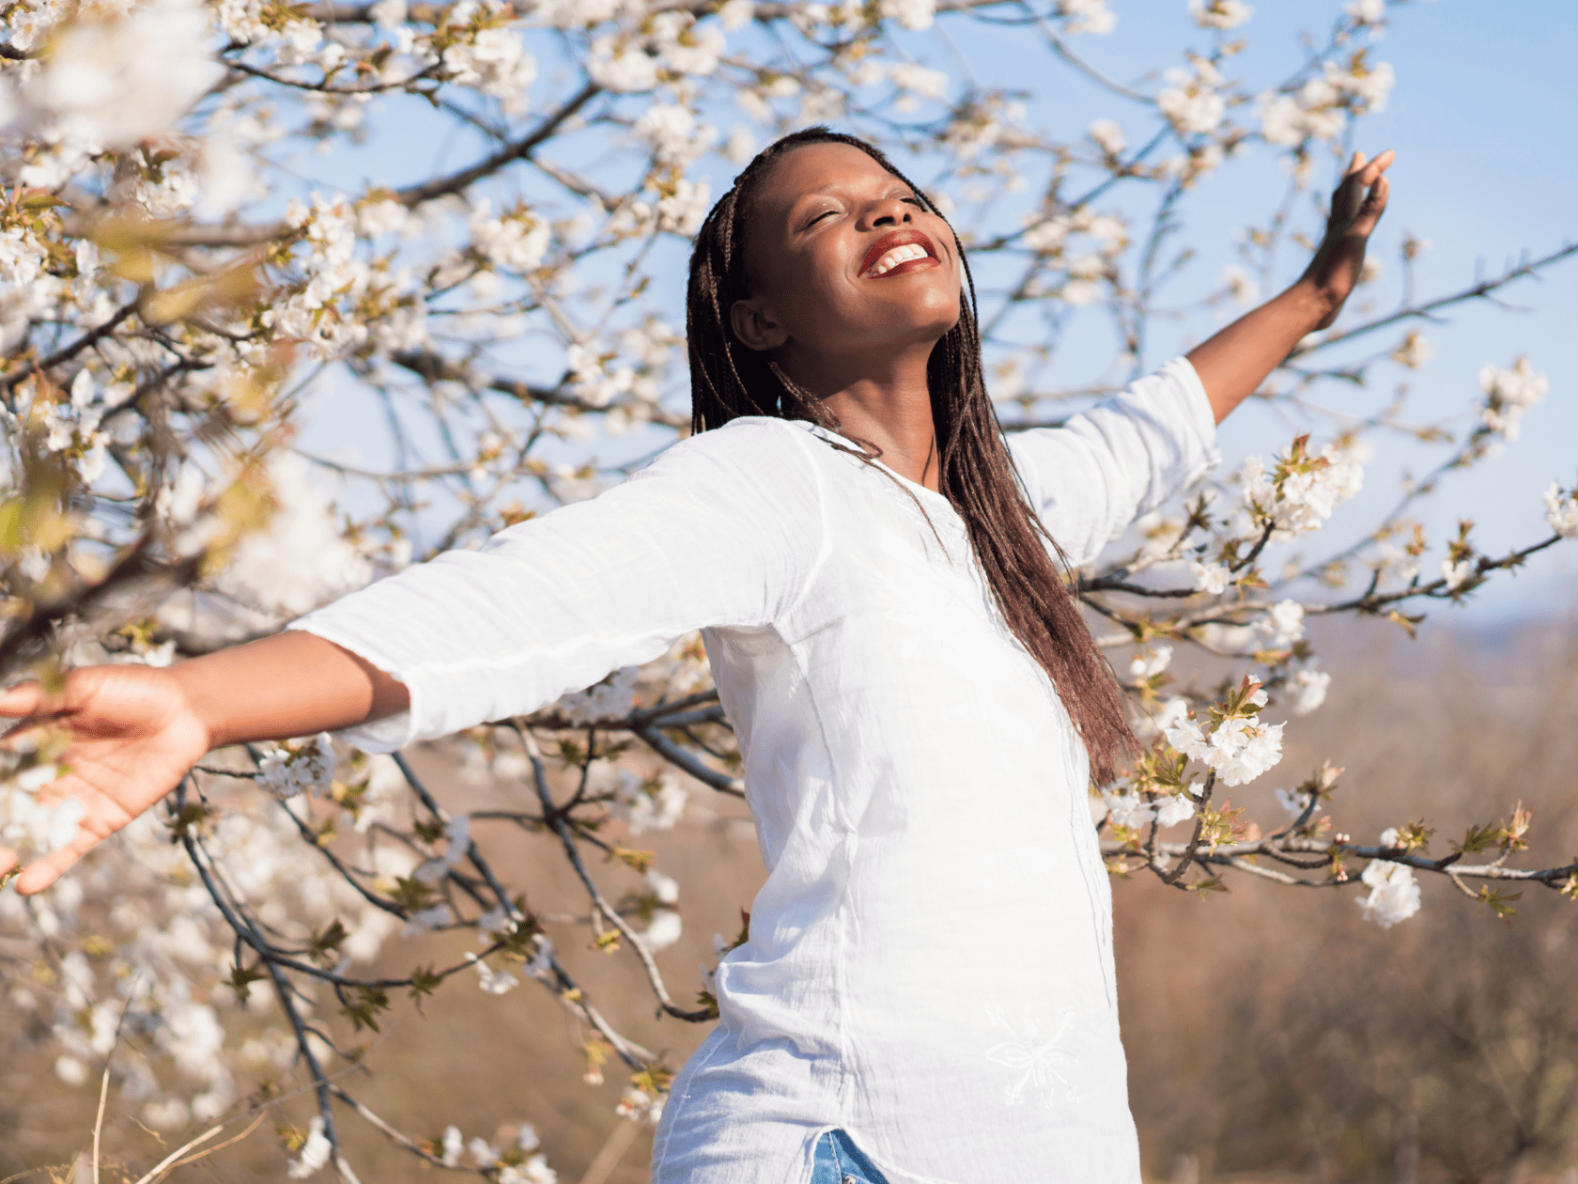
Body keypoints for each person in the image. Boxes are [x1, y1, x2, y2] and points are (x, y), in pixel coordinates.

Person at [0, 129, 1392, 1184]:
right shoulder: (776, 485)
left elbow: (1157, 426)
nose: (890, 213)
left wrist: (1316, 292)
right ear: (758, 318)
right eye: (827, 217)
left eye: (900, 196)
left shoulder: (1005, 524)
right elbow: (515, 605)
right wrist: (196, 699)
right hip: (844, 1141)